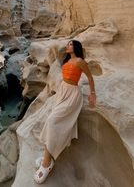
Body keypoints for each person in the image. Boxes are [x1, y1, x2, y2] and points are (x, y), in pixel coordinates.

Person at [33, 40, 96, 184]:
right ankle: (47, 157)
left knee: (52, 121)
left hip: (72, 95)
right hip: (62, 92)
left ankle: (46, 164)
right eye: (68, 44)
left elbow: (90, 77)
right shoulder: (67, 61)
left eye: (70, 44)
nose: (67, 46)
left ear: (76, 47)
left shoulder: (80, 61)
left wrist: (92, 94)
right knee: (52, 121)